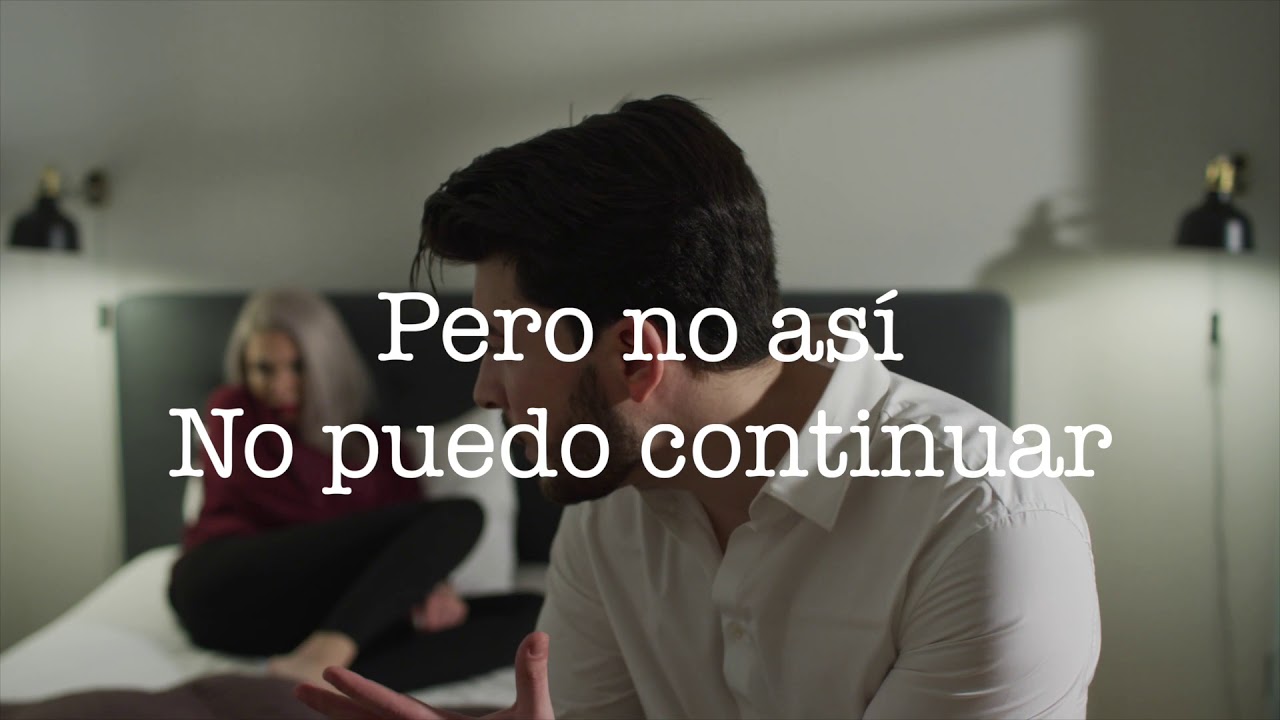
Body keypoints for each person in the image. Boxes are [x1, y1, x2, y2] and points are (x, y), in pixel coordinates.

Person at [296, 96, 1100, 719]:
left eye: (507, 343)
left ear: (636, 359)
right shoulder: (608, 512)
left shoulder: (986, 531)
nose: (484, 390)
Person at [168, 289, 541, 692]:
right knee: (458, 516)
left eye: (298, 367)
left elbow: (414, 537)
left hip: (323, 612)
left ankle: (336, 680)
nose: (280, 386)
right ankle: (329, 658)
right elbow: (287, 510)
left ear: (325, 363)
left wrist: (429, 583)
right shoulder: (234, 410)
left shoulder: (374, 442)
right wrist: (383, 560)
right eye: (264, 369)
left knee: (532, 615)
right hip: (229, 584)